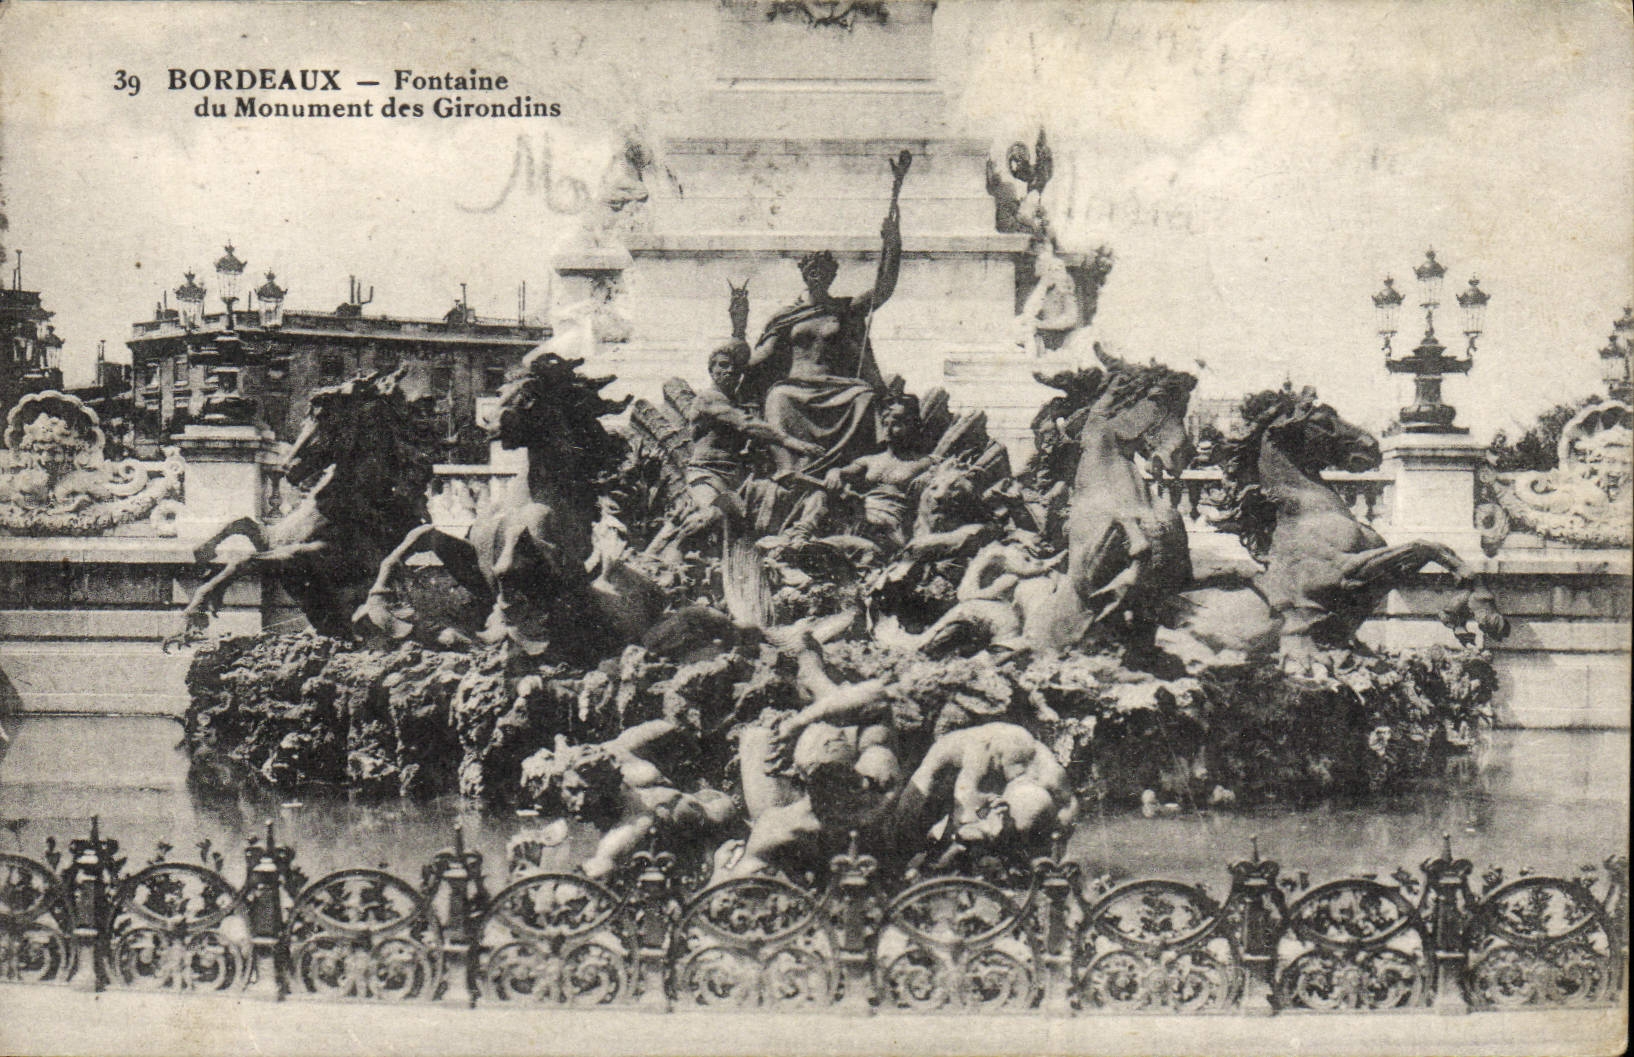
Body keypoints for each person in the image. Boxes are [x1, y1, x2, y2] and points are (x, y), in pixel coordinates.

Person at [741, 155, 908, 477]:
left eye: (824, 271)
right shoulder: (787, 317)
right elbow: (762, 359)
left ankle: (855, 472)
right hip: (795, 385)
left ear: (831, 275)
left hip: (838, 386)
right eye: (812, 270)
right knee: (778, 398)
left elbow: (884, 287)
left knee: (863, 397)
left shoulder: (844, 309)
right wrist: (737, 336)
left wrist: (894, 238)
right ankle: (788, 472)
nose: (818, 275)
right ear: (805, 275)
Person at [713, 633, 903, 882]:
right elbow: (727, 890)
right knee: (759, 740)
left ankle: (813, 678)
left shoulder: (878, 772)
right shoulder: (779, 824)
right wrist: (722, 872)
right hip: (805, 836)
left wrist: (799, 722)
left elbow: (877, 698)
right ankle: (814, 679)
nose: (836, 738)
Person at [647, 340, 825, 560]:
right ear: (711, 370)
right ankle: (660, 558)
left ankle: (798, 541)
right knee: (707, 515)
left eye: (735, 368)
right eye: (722, 365)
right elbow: (745, 423)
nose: (729, 371)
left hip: (739, 482)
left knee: (799, 497)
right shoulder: (708, 399)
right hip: (708, 476)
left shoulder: (738, 403)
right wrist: (790, 441)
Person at [519, 719, 737, 881]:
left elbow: (601, 863)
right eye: (569, 793)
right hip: (695, 800)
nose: (577, 801)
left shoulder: (635, 815)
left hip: (718, 822)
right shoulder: (611, 753)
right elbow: (665, 728)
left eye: (580, 792)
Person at [893, 722, 1078, 856]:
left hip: (1004, 781)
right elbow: (964, 807)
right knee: (907, 828)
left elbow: (1069, 804)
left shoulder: (1047, 769)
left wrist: (1060, 838)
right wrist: (972, 827)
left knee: (989, 825)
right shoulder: (979, 753)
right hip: (942, 768)